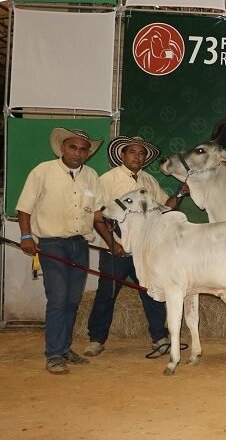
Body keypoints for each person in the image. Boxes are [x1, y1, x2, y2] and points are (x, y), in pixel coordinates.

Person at [84, 136, 188, 358]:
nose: (137, 157)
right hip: (116, 250)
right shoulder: (108, 180)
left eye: (141, 154)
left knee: (151, 292)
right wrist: (113, 244)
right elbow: (97, 215)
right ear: (122, 154)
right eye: (132, 152)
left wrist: (179, 193)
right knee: (107, 293)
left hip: (145, 251)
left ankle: (159, 338)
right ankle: (96, 340)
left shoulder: (149, 181)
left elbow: (165, 208)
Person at [16, 127, 105, 374]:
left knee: (72, 300)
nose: (78, 152)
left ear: (88, 153)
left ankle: (65, 348)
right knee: (58, 299)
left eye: (83, 149)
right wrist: (26, 236)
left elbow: (97, 213)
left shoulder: (92, 176)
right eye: (72, 147)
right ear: (62, 148)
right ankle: (54, 354)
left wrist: (117, 230)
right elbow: (24, 208)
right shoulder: (43, 171)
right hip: (52, 244)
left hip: (80, 244)